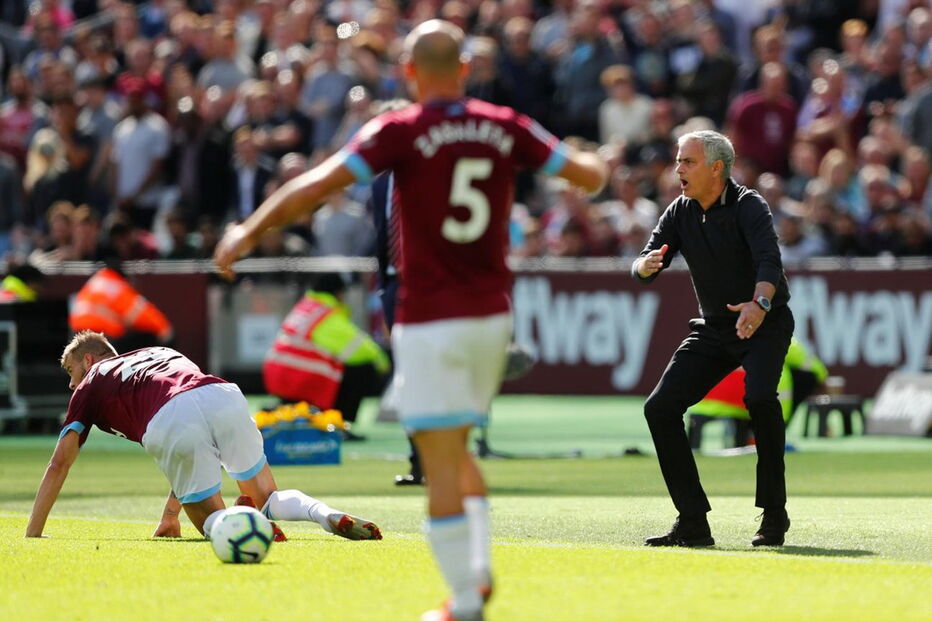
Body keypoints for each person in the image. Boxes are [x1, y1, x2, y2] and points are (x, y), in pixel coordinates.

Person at [214, 19, 607, 621]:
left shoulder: (399, 128)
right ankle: (477, 582)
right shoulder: (506, 126)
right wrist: (595, 160)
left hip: (428, 315)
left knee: (438, 457)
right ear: (467, 71)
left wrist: (247, 230)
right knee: (456, 449)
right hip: (492, 318)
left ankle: (464, 602)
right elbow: (588, 175)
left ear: (409, 74)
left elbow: (315, 185)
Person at [25, 331, 382, 543]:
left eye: (72, 372)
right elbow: (190, 410)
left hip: (168, 419)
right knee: (267, 495)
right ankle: (324, 514)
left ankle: (241, 525)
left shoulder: (92, 382)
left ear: (88, 360)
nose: (72, 383)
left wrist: (33, 534)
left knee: (210, 521)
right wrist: (169, 515)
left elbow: (59, 464)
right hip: (220, 395)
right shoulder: (160, 352)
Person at [633, 130, 793, 548]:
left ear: (717, 168)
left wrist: (758, 305)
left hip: (765, 322)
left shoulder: (748, 205)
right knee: (660, 408)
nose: (678, 169)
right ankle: (692, 521)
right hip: (714, 328)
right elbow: (647, 259)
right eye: (678, 161)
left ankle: (774, 514)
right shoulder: (680, 210)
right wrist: (643, 266)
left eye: (688, 161)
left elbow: (769, 261)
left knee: (759, 399)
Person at [263, 272, 391, 441]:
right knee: (365, 367)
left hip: (279, 377)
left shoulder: (306, 306)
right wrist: (384, 363)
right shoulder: (326, 313)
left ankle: (289, 409)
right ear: (338, 293)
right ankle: (338, 424)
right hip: (298, 378)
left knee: (336, 363)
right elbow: (361, 350)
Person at [687, 338, 829, 449]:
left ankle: (753, 437)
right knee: (801, 376)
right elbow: (813, 367)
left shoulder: (712, 333)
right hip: (742, 405)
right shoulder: (776, 336)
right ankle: (759, 437)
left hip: (702, 402)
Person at [69, 264, 173, 352]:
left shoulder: (94, 283)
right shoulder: (118, 286)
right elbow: (145, 318)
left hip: (76, 338)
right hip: (104, 339)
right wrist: (165, 333)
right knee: (148, 337)